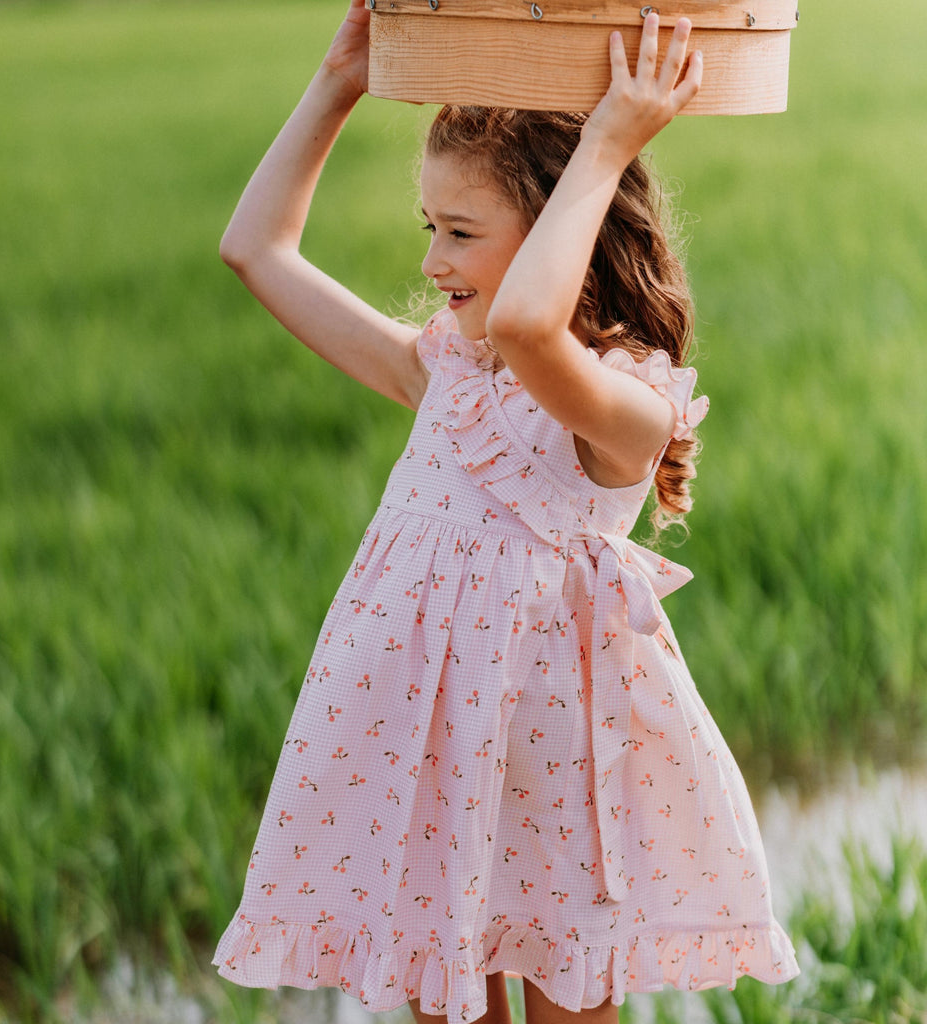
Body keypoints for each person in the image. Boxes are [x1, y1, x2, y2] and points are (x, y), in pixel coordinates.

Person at [212, 2, 799, 1021]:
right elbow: (254, 251)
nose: (433, 260)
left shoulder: (621, 404)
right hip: (429, 756)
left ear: (561, 229)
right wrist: (336, 84)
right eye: (429, 227)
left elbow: (533, 320)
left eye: (461, 232)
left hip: (558, 787)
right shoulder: (444, 371)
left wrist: (610, 140)